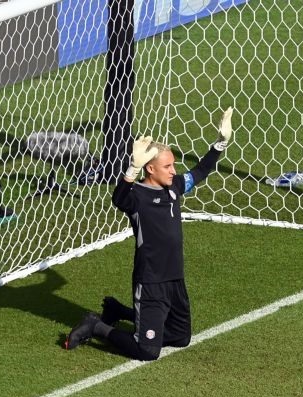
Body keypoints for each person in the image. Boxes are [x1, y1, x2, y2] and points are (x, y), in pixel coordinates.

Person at [65, 107, 234, 360]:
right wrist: (132, 168)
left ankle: (120, 311)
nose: (173, 171)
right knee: (147, 351)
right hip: (151, 281)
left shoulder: (173, 188)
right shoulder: (137, 198)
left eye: (173, 165)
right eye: (167, 166)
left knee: (180, 337)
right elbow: (118, 198)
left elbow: (200, 171)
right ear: (151, 170)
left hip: (175, 279)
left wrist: (220, 144)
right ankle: (97, 326)